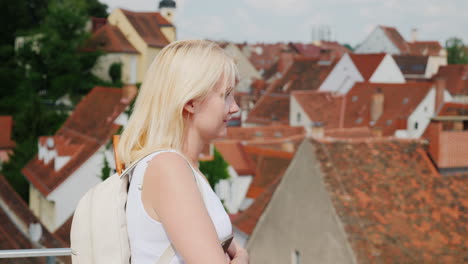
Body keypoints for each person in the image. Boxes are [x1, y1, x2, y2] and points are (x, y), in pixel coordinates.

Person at [117, 40, 249, 264]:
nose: (235, 107)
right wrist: (243, 257)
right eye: (226, 95)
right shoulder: (169, 168)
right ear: (191, 102)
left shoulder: (180, 167)